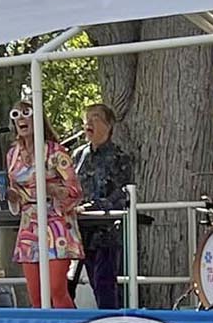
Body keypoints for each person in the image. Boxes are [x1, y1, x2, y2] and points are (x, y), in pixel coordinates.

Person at [7, 99, 83, 308]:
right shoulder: (12, 155)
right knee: (37, 296)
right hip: (29, 225)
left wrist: (52, 189)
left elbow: (75, 191)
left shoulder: (56, 152)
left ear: (37, 117)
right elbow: (19, 193)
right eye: (16, 115)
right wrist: (14, 197)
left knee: (57, 289)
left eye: (26, 113)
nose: (21, 118)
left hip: (57, 224)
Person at [75, 102, 134, 310]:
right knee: (68, 283)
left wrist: (92, 207)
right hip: (78, 232)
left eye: (96, 118)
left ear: (109, 126)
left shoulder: (120, 158)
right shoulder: (77, 156)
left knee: (104, 285)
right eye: (86, 118)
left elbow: (122, 194)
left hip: (106, 233)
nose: (89, 122)